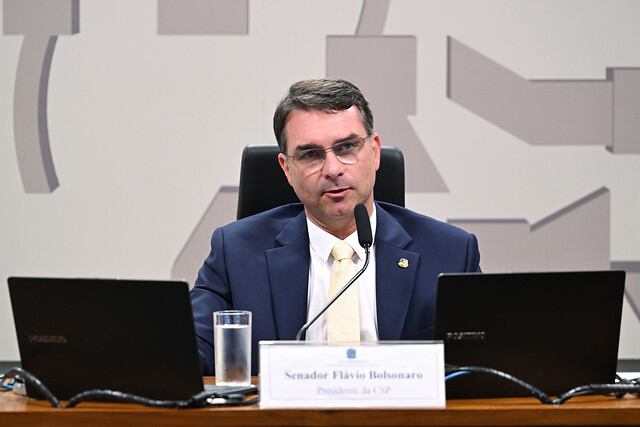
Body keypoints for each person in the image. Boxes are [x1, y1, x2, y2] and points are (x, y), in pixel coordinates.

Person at [191, 78, 481, 375]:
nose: (332, 169)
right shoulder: (236, 253)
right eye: (310, 154)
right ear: (286, 168)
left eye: (347, 147)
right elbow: (188, 355)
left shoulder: (450, 253)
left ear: (375, 151)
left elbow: (481, 368)